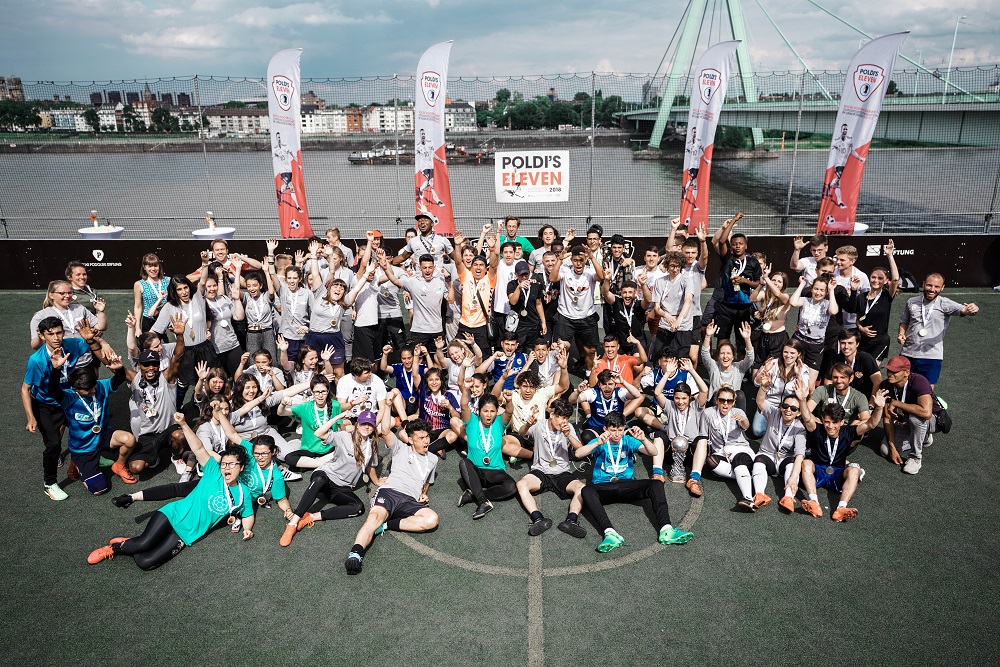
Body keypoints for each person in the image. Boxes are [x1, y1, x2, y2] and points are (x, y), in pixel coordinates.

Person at [86, 413, 255, 569]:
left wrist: (247, 528)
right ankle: (114, 549)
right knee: (143, 544)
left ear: (240, 468)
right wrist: (183, 424)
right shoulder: (213, 471)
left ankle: (130, 543)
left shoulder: (243, 493)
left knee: (145, 563)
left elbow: (247, 514)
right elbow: (199, 449)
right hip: (173, 514)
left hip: (187, 533)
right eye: (224, 463)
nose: (226, 467)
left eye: (232, 464)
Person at [578, 413, 693, 552]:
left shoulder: (628, 440)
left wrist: (643, 439)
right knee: (586, 490)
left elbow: (653, 452)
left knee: (656, 483)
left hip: (627, 485)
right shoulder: (601, 441)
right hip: (604, 488)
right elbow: (578, 454)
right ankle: (610, 533)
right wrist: (596, 443)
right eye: (613, 430)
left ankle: (666, 529)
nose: (617, 434)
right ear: (605, 429)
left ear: (624, 428)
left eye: (620, 430)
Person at [23, 317, 106, 500]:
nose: (56, 338)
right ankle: (50, 483)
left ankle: (89, 457)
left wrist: (100, 342)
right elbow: (25, 389)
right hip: (47, 405)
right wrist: (31, 417)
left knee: (96, 420)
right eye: (50, 334)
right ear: (42, 335)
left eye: (59, 332)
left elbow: (91, 350)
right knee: (53, 445)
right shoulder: (36, 360)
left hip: (69, 399)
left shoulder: (75, 344)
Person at [344, 419, 440, 575]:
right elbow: (385, 430)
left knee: (432, 520)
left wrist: (423, 493)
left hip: (410, 500)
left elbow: (427, 481)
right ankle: (355, 554)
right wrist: (388, 405)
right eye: (421, 438)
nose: (426, 441)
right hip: (390, 492)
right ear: (410, 440)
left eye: (427, 436)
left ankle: (387, 525)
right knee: (374, 518)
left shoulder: (433, 459)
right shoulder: (400, 449)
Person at [280, 410, 381, 547]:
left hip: (342, 487)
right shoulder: (345, 436)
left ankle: (311, 517)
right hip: (326, 476)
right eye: (364, 423)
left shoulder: (372, 445)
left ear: (374, 427)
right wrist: (338, 417)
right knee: (319, 479)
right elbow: (318, 433)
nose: (367, 427)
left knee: (358, 508)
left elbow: (370, 466)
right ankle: (292, 524)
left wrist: (376, 481)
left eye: (370, 424)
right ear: (357, 424)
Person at [48, 350, 137, 493]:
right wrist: (56, 369)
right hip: (83, 448)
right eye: (88, 390)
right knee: (99, 489)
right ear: (76, 389)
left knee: (129, 440)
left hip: (102, 435)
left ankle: (119, 465)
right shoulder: (69, 397)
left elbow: (117, 381)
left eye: (93, 387)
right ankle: (76, 463)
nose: (93, 391)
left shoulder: (99, 386)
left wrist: (119, 369)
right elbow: (53, 390)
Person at [798, 388, 887, 521]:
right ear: (823, 420)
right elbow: (806, 417)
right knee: (806, 463)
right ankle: (813, 502)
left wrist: (879, 408)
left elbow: (871, 424)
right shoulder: (818, 429)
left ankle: (841, 508)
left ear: (841, 422)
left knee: (854, 471)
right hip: (818, 471)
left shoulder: (848, 432)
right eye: (827, 422)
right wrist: (802, 400)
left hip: (838, 473)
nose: (830, 426)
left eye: (834, 422)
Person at [515, 398, 586, 537]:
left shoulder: (568, 428)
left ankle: (571, 521)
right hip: (540, 471)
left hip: (563, 472)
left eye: (566, 418)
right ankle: (538, 519)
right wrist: (527, 425)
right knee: (521, 484)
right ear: (552, 415)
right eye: (561, 417)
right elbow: (521, 433)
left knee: (581, 488)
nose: (564, 422)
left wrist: (568, 436)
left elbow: (580, 450)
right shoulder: (539, 425)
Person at [898, 273, 979, 388]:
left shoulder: (945, 303)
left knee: (926, 391)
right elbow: (904, 321)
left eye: (936, 287)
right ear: (923, 284)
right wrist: (901, 333)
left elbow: (964, 310)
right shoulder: (912, 301)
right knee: (902, 387)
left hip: (931, 356)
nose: (932, 289)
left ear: (942, 288)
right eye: (929, 285)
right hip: (908, 353)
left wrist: (972, 309)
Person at [454, 382, 517, 520]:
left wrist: (510, 400)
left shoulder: (499, 423)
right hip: (476, 471)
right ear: (479, 411)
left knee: (511, 487)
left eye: (492, 411)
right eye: (485, 411)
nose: (489, 415)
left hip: (496, 472)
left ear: (496, 411)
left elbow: (509, 411)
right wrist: (465, 389)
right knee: (464, 462)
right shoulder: (471, 422)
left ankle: (474, 494)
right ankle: (483, 502)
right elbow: (464, 405)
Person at [150, 274, 217, 403]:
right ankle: (177, 407)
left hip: (204, 348)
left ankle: (207, 407)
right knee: (183, 383)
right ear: (174, 291)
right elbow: (156, 330)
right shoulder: (169, 307)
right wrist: (142, 341)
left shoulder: (198, 297)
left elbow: (202, 281)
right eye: (179, 289)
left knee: (208, 380)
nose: (184, 292)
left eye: (185, 287)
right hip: (184, 351)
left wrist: (204, 264)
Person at [878, 356, 940, 475]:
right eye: (889, 370)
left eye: (895, 371)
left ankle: (916, 458)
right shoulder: (886, 385)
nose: (890, 374)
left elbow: (926, 413)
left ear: (906, 372)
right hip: (906, 422)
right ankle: (923, 438)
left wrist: (897, 403)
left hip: (932, 420)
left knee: (915, 418)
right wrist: (892, 448)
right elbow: (887, 418)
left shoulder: (919, 381)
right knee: (885, 451)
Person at [752, 379, 807, 512]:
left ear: (799, 412)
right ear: (781, 406)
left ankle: (788, 498)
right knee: (758, 461)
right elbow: (760, 402)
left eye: (793, 408)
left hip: (784, 460)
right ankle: (759, 494)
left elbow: (800, 455)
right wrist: (764, 387)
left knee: (792, 464)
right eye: (785, 406)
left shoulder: (800, 428)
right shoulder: (774, 413)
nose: (788, 410)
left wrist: (794, 478)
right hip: (768, 455)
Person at [382, 252, 455, 352]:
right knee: (418, 360)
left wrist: (449, 281)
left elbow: (450, 300)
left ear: (434, 267)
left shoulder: (441, 282)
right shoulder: (413, 282)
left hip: (437, 330)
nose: (428, 270)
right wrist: (386, 268)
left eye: (430, 267)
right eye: (424, 268)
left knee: (438, 361)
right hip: (419, 331)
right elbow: (396, 281)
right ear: (420, 268)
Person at [551, 244, 605, 375]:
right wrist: (560, 259)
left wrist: (592, 257)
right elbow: (552, 278)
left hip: (587, 317)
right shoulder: (565, 270)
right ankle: (556, 377)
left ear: (585, 260)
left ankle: (589, 374)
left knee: (590, 350)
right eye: (576, 260)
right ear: (572, 260)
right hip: (565, 317)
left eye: (581, 260)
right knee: (560, 348)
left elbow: (602, 276)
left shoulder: (590, 271)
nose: (578, 264)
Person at [709, 213, 760, 350]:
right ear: (731, 246)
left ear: (746, 246)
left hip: (744, 308)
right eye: (735, 244)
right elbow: (721, 241)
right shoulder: (727, 258)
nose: (738, 246)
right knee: (722, 339)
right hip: (726, 306)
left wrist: (744, 281)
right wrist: (734, 220)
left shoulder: (753, 262)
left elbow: (758, 284)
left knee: (741, 340)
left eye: (741, 244)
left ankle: (740, 369)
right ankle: (720, 367)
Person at [701, 384, 756, 511]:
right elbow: (703, 435)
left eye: (729, 401)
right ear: (716, 400)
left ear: (734, 402)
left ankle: (748, 499)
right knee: (711, 462)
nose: (725, 404)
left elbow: (746, 426)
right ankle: (746, 475)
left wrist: (742, 420)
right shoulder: (708, 413)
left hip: (740, 450)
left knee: (738, 459)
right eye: (722, 400)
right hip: (722, 452)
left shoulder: (738, 412)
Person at [844, 240, 899, 361]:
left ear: (885, 281)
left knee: (872, 371)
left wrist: (889, 255)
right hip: (862, 340)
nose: (876, 280)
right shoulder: (862, 297)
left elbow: (895, 279)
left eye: (880, 278)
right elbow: (858, 318)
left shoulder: (886, 296)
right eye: (873, 277)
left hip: (879, 341)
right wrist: (861, 328)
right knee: (858, 371)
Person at [651, 378, 708, 489]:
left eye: (684, 398)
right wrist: (667, 373)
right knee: (659, 435)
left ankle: (693, 479)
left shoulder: (696, 407)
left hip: (689, 453)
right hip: (672, 452)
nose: (680, 402)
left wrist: (691, 370)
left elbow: (704, 390)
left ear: (690, 398)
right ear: (673, 398)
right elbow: (657, 392)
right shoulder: (670, 406)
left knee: (702, 439)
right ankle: (657, 473)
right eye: (677, 398)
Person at [451, 227, 498, 355]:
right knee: (457, 352)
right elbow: (458, 262)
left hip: (481, 326)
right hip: (464, 324)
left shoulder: (489, 279)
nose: (478, 267)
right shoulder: (466, 276)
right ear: (471, 267)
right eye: (475, 265)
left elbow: (494, 265)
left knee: (483, 356)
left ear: (485, 267)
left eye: (481, 265)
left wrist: (492, 249)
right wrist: (457, 245)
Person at [751, 339, 809, 437]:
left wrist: (798, 375)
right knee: (757, 431)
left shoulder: (803, 368)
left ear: (798, 354)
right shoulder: (773, 363)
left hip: (789, 407)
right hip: (769, 403)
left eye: (792, 353)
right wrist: (764, 369)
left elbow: (803, 393)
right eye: (785, 352)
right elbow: (756, 383)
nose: (788, 355)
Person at [789, 274, 839, 385]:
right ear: (811, 289)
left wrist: (831, 291)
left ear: (826, 292)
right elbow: (792, 302)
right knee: (791, 376)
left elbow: (834, 311)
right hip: (799, 341)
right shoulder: (805, 300)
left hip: (815, 346)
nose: (818, 292)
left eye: (822, 290)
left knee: (810, 384)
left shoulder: (827, 304)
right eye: (816, 289)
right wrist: (801, 285)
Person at [644, 251, 694, 362]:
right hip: (665, 324)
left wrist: (678, 320)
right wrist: (667, 316)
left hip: (683, 325)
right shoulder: (660, 282)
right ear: (667, 265)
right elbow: (657, 307)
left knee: (681, 360)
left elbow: (688, 301)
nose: (675, 269)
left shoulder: (687, 280)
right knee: (659, 357)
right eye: (672, 266)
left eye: (677, 266)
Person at [30, 280, 107, 351]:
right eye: (62, 293)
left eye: (70, 293)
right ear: (51, 295)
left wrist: (101, 311)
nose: (67, 296)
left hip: (83, 357)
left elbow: (101, 327)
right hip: (59, 359)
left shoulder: (80, 308)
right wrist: (39, 336)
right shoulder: (40, 316)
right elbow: (35, 346)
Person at [700, 320, 754, 409]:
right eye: (722, 353)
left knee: (740, 394)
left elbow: (750, 358)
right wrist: (708, 336)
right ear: (718, 356)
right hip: (715, 405)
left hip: (732, 407)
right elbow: (705, 354)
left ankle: (740, 421)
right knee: (717, 393)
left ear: (733, 357)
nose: (725, 356)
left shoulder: (739, 368)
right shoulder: (714, 366)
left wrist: (747, 339)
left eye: (728, 353)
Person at [819, 330, 882, 402]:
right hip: (841, 401)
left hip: (863, 401)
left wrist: (871, 406)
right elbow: (828, 381)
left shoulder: (865, 358)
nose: (846, 347)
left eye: (850, 343)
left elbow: (877, 382)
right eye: (843, 343)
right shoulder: (836, 359)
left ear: (857, 344)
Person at [201, 271, 244, 377]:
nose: (212, 289)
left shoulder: (223, 298)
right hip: (216, 348)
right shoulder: (201, 304)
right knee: (220, 380)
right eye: (209, 286)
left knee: (239, 377)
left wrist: (237, 299)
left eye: (214, 285)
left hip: (233, 344)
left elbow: (239, 317)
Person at [751, 264, 791, 363]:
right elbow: (752, 299)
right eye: (774, 280)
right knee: (757, 365)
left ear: (783, 285)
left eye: (779, 281)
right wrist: (761, 284)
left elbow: (777, 294)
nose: (776, 283)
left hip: (778, 338)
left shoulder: (785, 297)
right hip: (764, 336)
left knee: (771, 367)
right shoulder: (765, 295)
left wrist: (767, 278)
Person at [823, 124, 866, 210]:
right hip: (838, 165)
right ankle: (840, 202)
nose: (845, 130)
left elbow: (852, 152)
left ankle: (829, 186)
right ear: (841, 130)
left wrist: (860, 158)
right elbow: (831, 150)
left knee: (839, 181)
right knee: (839, 182)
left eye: (846, 129)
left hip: (845, 165)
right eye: (844, 129)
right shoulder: (836, 141)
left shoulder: (849, 140)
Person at [507, 260, 547, 350]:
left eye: (526, 275)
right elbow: (513, 301)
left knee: (531, 350)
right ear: (516, 275)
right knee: (517, 349)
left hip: (533, 324)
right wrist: (519, 287)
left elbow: (539, 304)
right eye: (521, 275)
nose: (524, 277)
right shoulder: (512, 285)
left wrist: (543, 322)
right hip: (518, 325)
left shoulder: (535, 285)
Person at [601, 279, 646, 356]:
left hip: (637, 341)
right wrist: (607, 279)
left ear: (636, 293)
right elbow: (605, 293)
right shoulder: (617, 301)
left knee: (637, 366)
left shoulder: (639, 304)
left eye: (630, 292)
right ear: (621, 293)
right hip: (621, 342)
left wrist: (643, 285)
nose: (627, 295)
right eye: (624, 292)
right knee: (608, 362)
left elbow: (648, 299)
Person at [133, 253, 170, 335]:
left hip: (166, 320)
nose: (153, 269)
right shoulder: (139, 284)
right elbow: (138, 307)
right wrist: (137, 328)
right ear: (144, 267)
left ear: (159, 266)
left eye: (155, 265)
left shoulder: (168, 280)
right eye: (150, 266)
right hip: (149, 321)